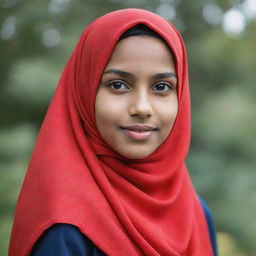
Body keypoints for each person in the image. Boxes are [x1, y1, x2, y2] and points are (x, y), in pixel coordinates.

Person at [9, 8, 218, 256]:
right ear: (84, 92)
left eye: (162, 87)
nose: (142, 107)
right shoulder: (65, 229)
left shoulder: (196, 213)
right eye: (118, 85)